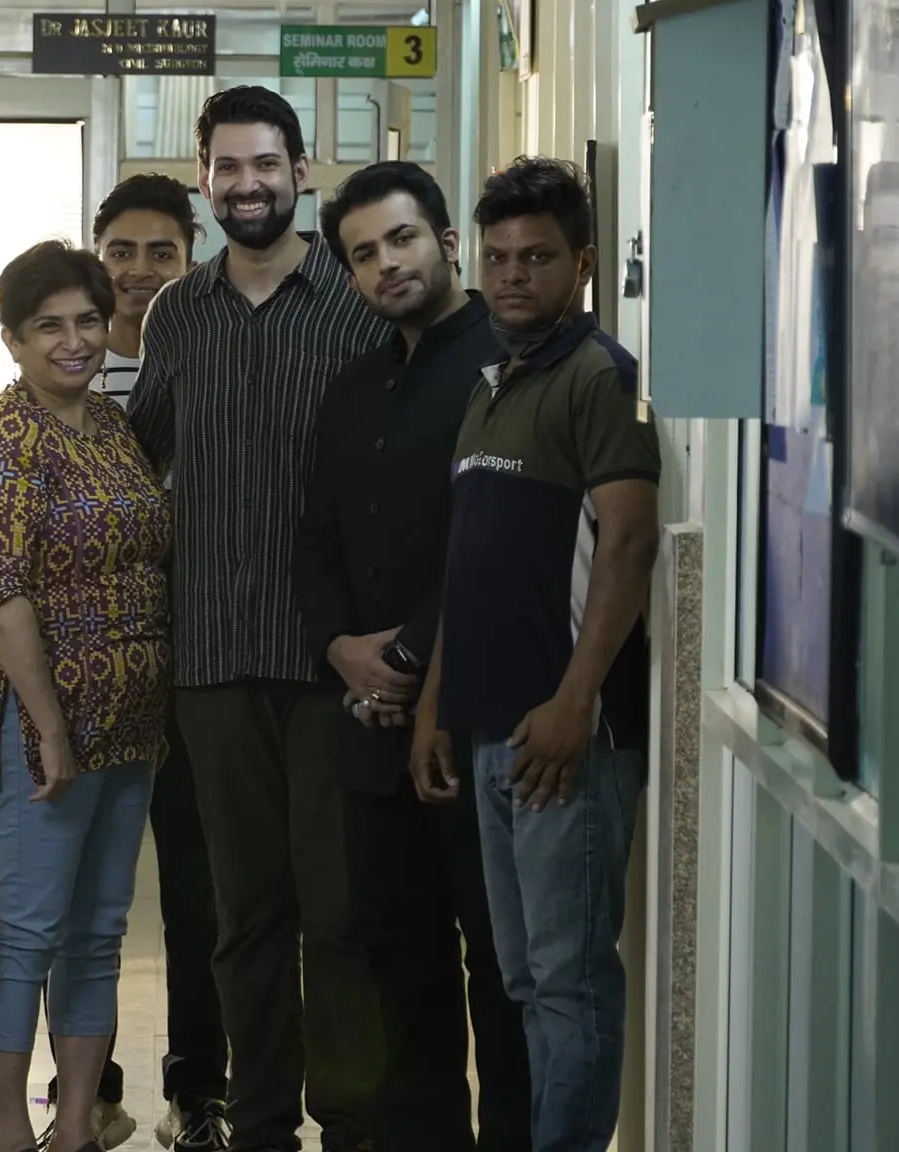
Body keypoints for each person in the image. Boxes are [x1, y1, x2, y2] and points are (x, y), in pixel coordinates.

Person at [124, 86, 393, 1152]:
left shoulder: (355, 300)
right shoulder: (175, 314)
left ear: (300, 171)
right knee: (243, 917)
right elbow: (140, 458)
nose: (247, 184)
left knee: (339, 912)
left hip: (335, 659)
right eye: (227, 167)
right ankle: (262, 1123)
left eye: (265, 164)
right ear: (204, 179)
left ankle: (349, 1122)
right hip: (211, 659)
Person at [410, 157, 658, 1152]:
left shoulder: (601, 377)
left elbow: (628, 544)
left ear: (581, 265)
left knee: (569, 980)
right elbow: (466, 566)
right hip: (488, 728)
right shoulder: (492, 385)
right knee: (522, 976)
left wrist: (573, 701)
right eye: (499, 257)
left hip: (565, 737)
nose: (513, 275)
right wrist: (435, 707)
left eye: (537, 257)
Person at [299, 161, 531, 1152]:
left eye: (399, 239)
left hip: (481, 724)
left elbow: (504, 537)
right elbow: (314, 539)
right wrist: (341, 649)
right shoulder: (352, 388)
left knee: (501, 969)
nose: (385, 264)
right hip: (370, 732)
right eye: (363, 254)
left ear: (445, 241)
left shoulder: (510, 368)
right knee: (398, 962)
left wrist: (405, 650)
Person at [0, 241, 171, 1152]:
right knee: (31, 931)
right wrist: (49, 727)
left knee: (99, 933)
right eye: (48, 326)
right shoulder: (6, 434)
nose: (74, 341)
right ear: (12, 338)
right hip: (43, 724)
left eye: (87, 320)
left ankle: (77, 1126)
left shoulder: (112, 425)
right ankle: (13, 1132)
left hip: (132, 721)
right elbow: (0, 591)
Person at [38, 173, 230, 1152]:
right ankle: (88, 1093)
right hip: (90, 680)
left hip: (196, 670)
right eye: (121, 250)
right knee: (83, 901)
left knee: (200, 898)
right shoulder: (64, 371)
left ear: (191, 259)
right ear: (95, 253)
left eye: (162, 252)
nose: (140, 270)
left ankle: (198, 1092)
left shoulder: (211, 359)